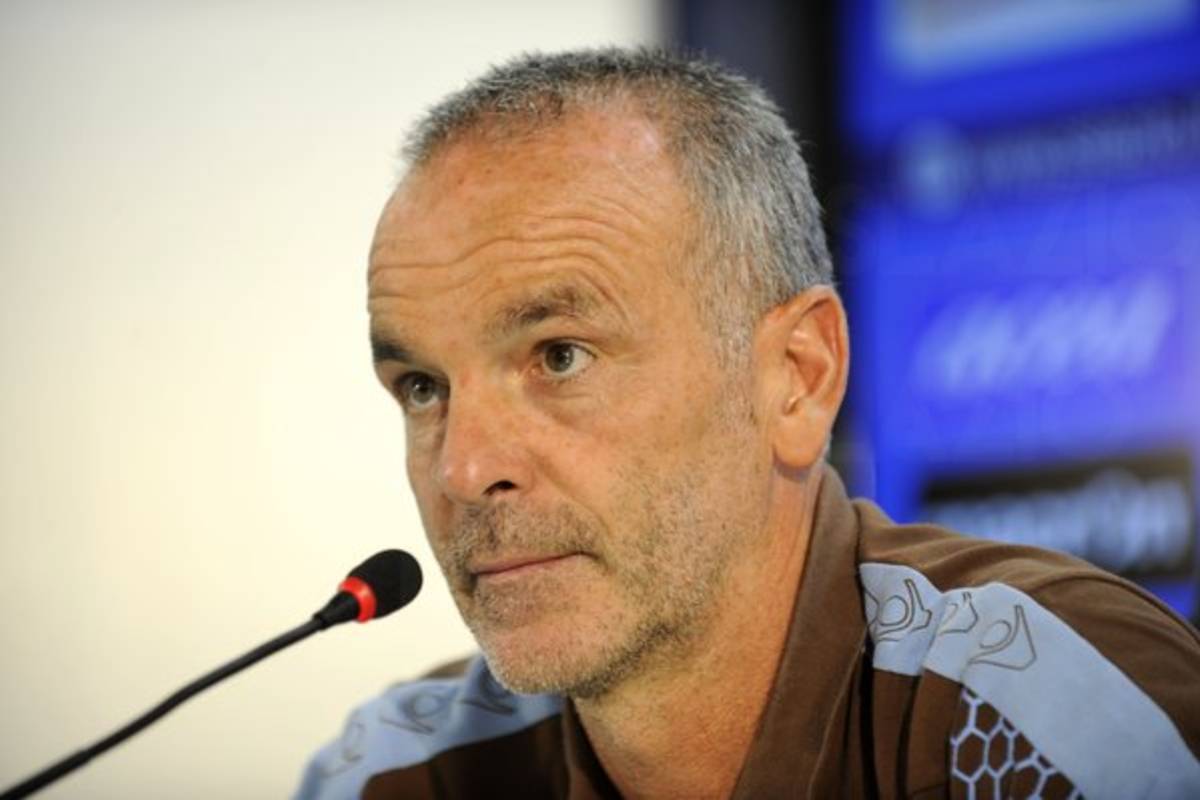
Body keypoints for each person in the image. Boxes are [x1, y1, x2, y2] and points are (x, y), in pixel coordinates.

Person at [295, 48, 1200, 799]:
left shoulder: (1042, 723)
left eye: (560, 356)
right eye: (423, 387)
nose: (463, 469)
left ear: (797, 379)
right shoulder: (394, 775)